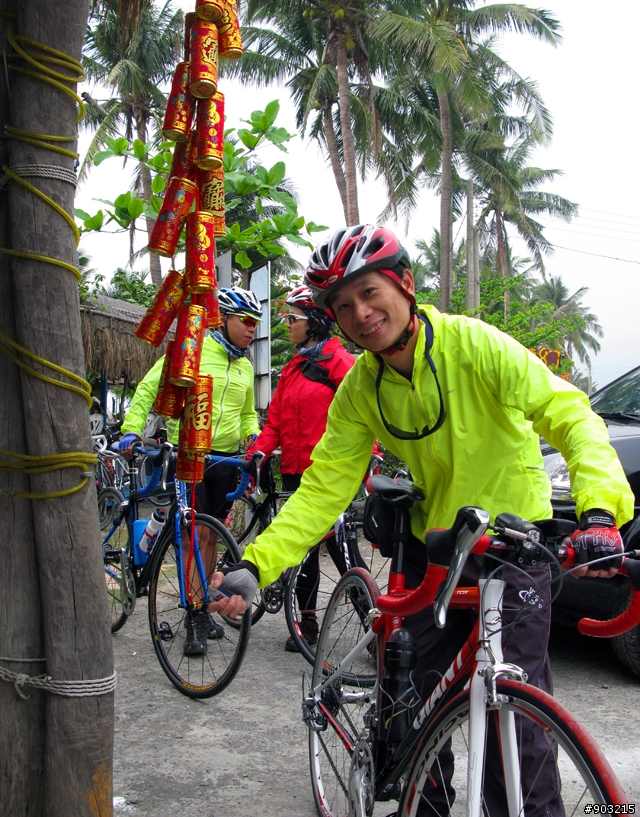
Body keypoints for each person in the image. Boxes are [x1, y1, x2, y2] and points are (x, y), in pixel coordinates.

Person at [211, 225, 634, 813]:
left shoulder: (475, 344)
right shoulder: (360, 389)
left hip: (513, 545)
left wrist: (598, 511)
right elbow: (323, 489)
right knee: (408, 711)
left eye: (369, 292)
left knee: (518, 729)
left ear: (404, 285)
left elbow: (571, 416)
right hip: (435, 549)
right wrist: (257, 562)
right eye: (343, 305)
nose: (360, 313)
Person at [118, 285, 262, 656]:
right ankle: (194, 616)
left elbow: (247, 413)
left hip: (227, 460)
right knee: (195, 536)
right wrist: (131, 428)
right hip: (193, 455)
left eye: (256, 323)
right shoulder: (194, 348)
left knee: (211, 537)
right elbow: (150, 387)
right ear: (225, 318)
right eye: (245, 321)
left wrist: (254, 438)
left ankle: (202, 604)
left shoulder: (245, 365)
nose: (252, 329)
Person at [251, 285, 359, 651]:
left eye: (292, 318)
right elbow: (275, 424)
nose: (286, 325)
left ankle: (375, 624)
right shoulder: (293, 369)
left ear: (314, 322)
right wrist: (259, 453)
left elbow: (365, 413)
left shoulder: (340, 363)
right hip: (297, 472)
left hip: (331, 476)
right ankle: (307, 622)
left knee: (345, 553)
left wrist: (370, 459)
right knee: (304, 552)